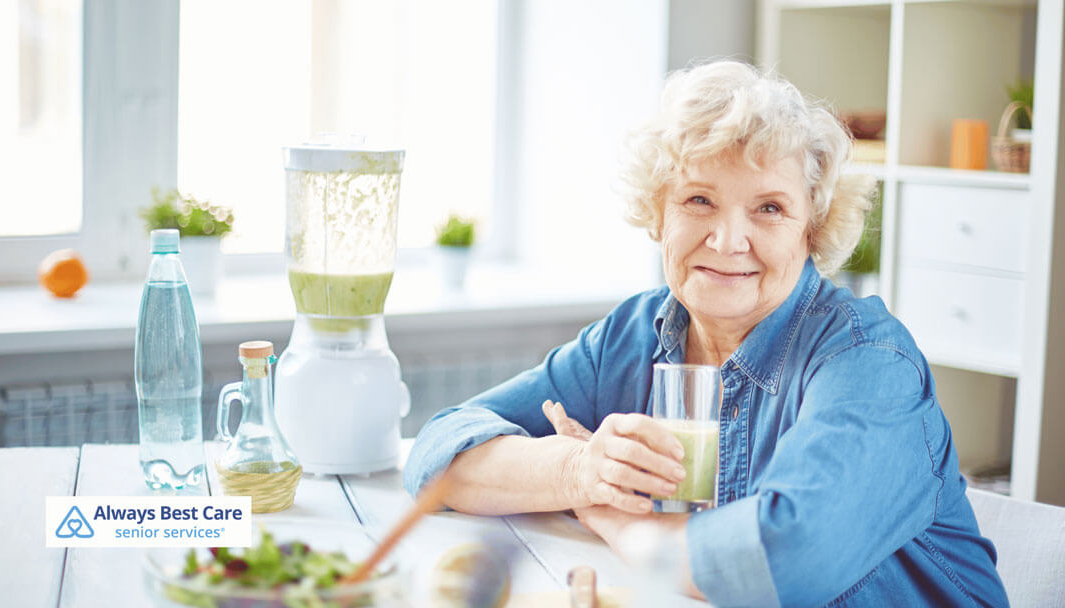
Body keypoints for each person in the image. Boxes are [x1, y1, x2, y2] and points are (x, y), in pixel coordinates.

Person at [403, 60, 1009, 607]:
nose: (727, 241)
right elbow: (439, 456)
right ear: (657, 214)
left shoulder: (868, 360)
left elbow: (786, 564)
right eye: (698, 200)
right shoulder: (634, 334)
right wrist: (582, 471)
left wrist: (618, 521)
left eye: (769, 208)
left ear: (812, 228)